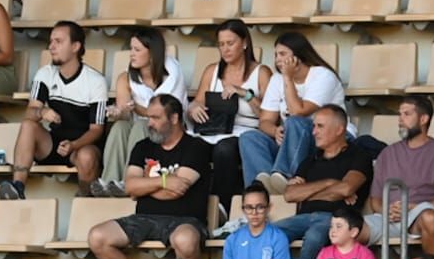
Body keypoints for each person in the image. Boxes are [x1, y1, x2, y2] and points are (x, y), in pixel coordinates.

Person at [84, 94, 213, 259]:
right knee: (97, 237)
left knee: (186, 241)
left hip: (185, 220)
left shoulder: (196, 147)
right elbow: (130, 187)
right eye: (148, 117)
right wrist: (164, 181)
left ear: (174, 118)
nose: (149, 123)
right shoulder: (142, 146)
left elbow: (176, 191)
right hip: (143, 218)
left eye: (156, 118)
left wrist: (144, 185)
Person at [0, 22, 106, 201]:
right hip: (53, 143)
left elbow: (97, 130)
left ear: (75, 46)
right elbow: (30, 112)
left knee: (87, 156)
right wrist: (41, 112)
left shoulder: (95, 81)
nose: (51, 47)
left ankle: (85, 199)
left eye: (58, 41)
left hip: (80, 146)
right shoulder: (45, 74)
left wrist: (74, 145)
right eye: (51, 42)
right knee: (28, 125)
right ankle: (17, 187)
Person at [269, 103, 374, 259]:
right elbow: (289, 194)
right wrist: (330, 183)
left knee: (314, 237)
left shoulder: (358, 156)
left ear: (339, 130)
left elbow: (346, 189)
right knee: (270, 234)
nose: (313, 132)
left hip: (336, 218)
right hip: (303, 217)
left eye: (320, 126)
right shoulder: (310, 159)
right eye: (314, 126)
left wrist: (307, 192)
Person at [239, 33, 347, 191]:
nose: (277, 60)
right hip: (291, 143)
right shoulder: (277, 79)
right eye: (276, 55)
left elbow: (298, 111)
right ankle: (261, 188)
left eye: (283, 54)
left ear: (299, 56)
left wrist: (288, 78)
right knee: (249, 137)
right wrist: (275, 130)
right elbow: (264, 121)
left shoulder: (323, 76)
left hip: (328, 140)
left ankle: (286, 177)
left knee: (295, 122)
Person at [187, 19, 272, 216]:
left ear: (244, 43)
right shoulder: (212, 71)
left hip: (246, 130)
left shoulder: (261, 72)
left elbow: (269, 115)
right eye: (221, 44)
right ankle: (194, 207)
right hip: (214, 128)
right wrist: (194, 108)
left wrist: (244, 93)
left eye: (230, 43)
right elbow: (197, 102)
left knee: (224, 151)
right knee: (193, 148)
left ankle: (223, 206)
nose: (225, 49)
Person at [363, 94, 434, 258]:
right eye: (399, 114)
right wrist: (388, 210)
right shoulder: (387, 153)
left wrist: (411, 207)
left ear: (423, 119)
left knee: (429, 217)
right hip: (388, 217)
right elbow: (375, 201)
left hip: (418, 216)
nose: (400, 120)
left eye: (407, 114)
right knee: (346, 227)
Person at [95, 29, 189, 197]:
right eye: (131, 49)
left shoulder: (173, 72)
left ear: (152, 53)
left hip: (169, 129)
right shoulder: (125, 78)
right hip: (143, 126)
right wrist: (118, 112)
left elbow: (162, 113)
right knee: (119, 127)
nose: (131, 54)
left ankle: (131, 181)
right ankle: (109, 183)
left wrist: (136, 108)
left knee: (140, 125)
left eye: (137, 50)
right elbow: (125, 112)